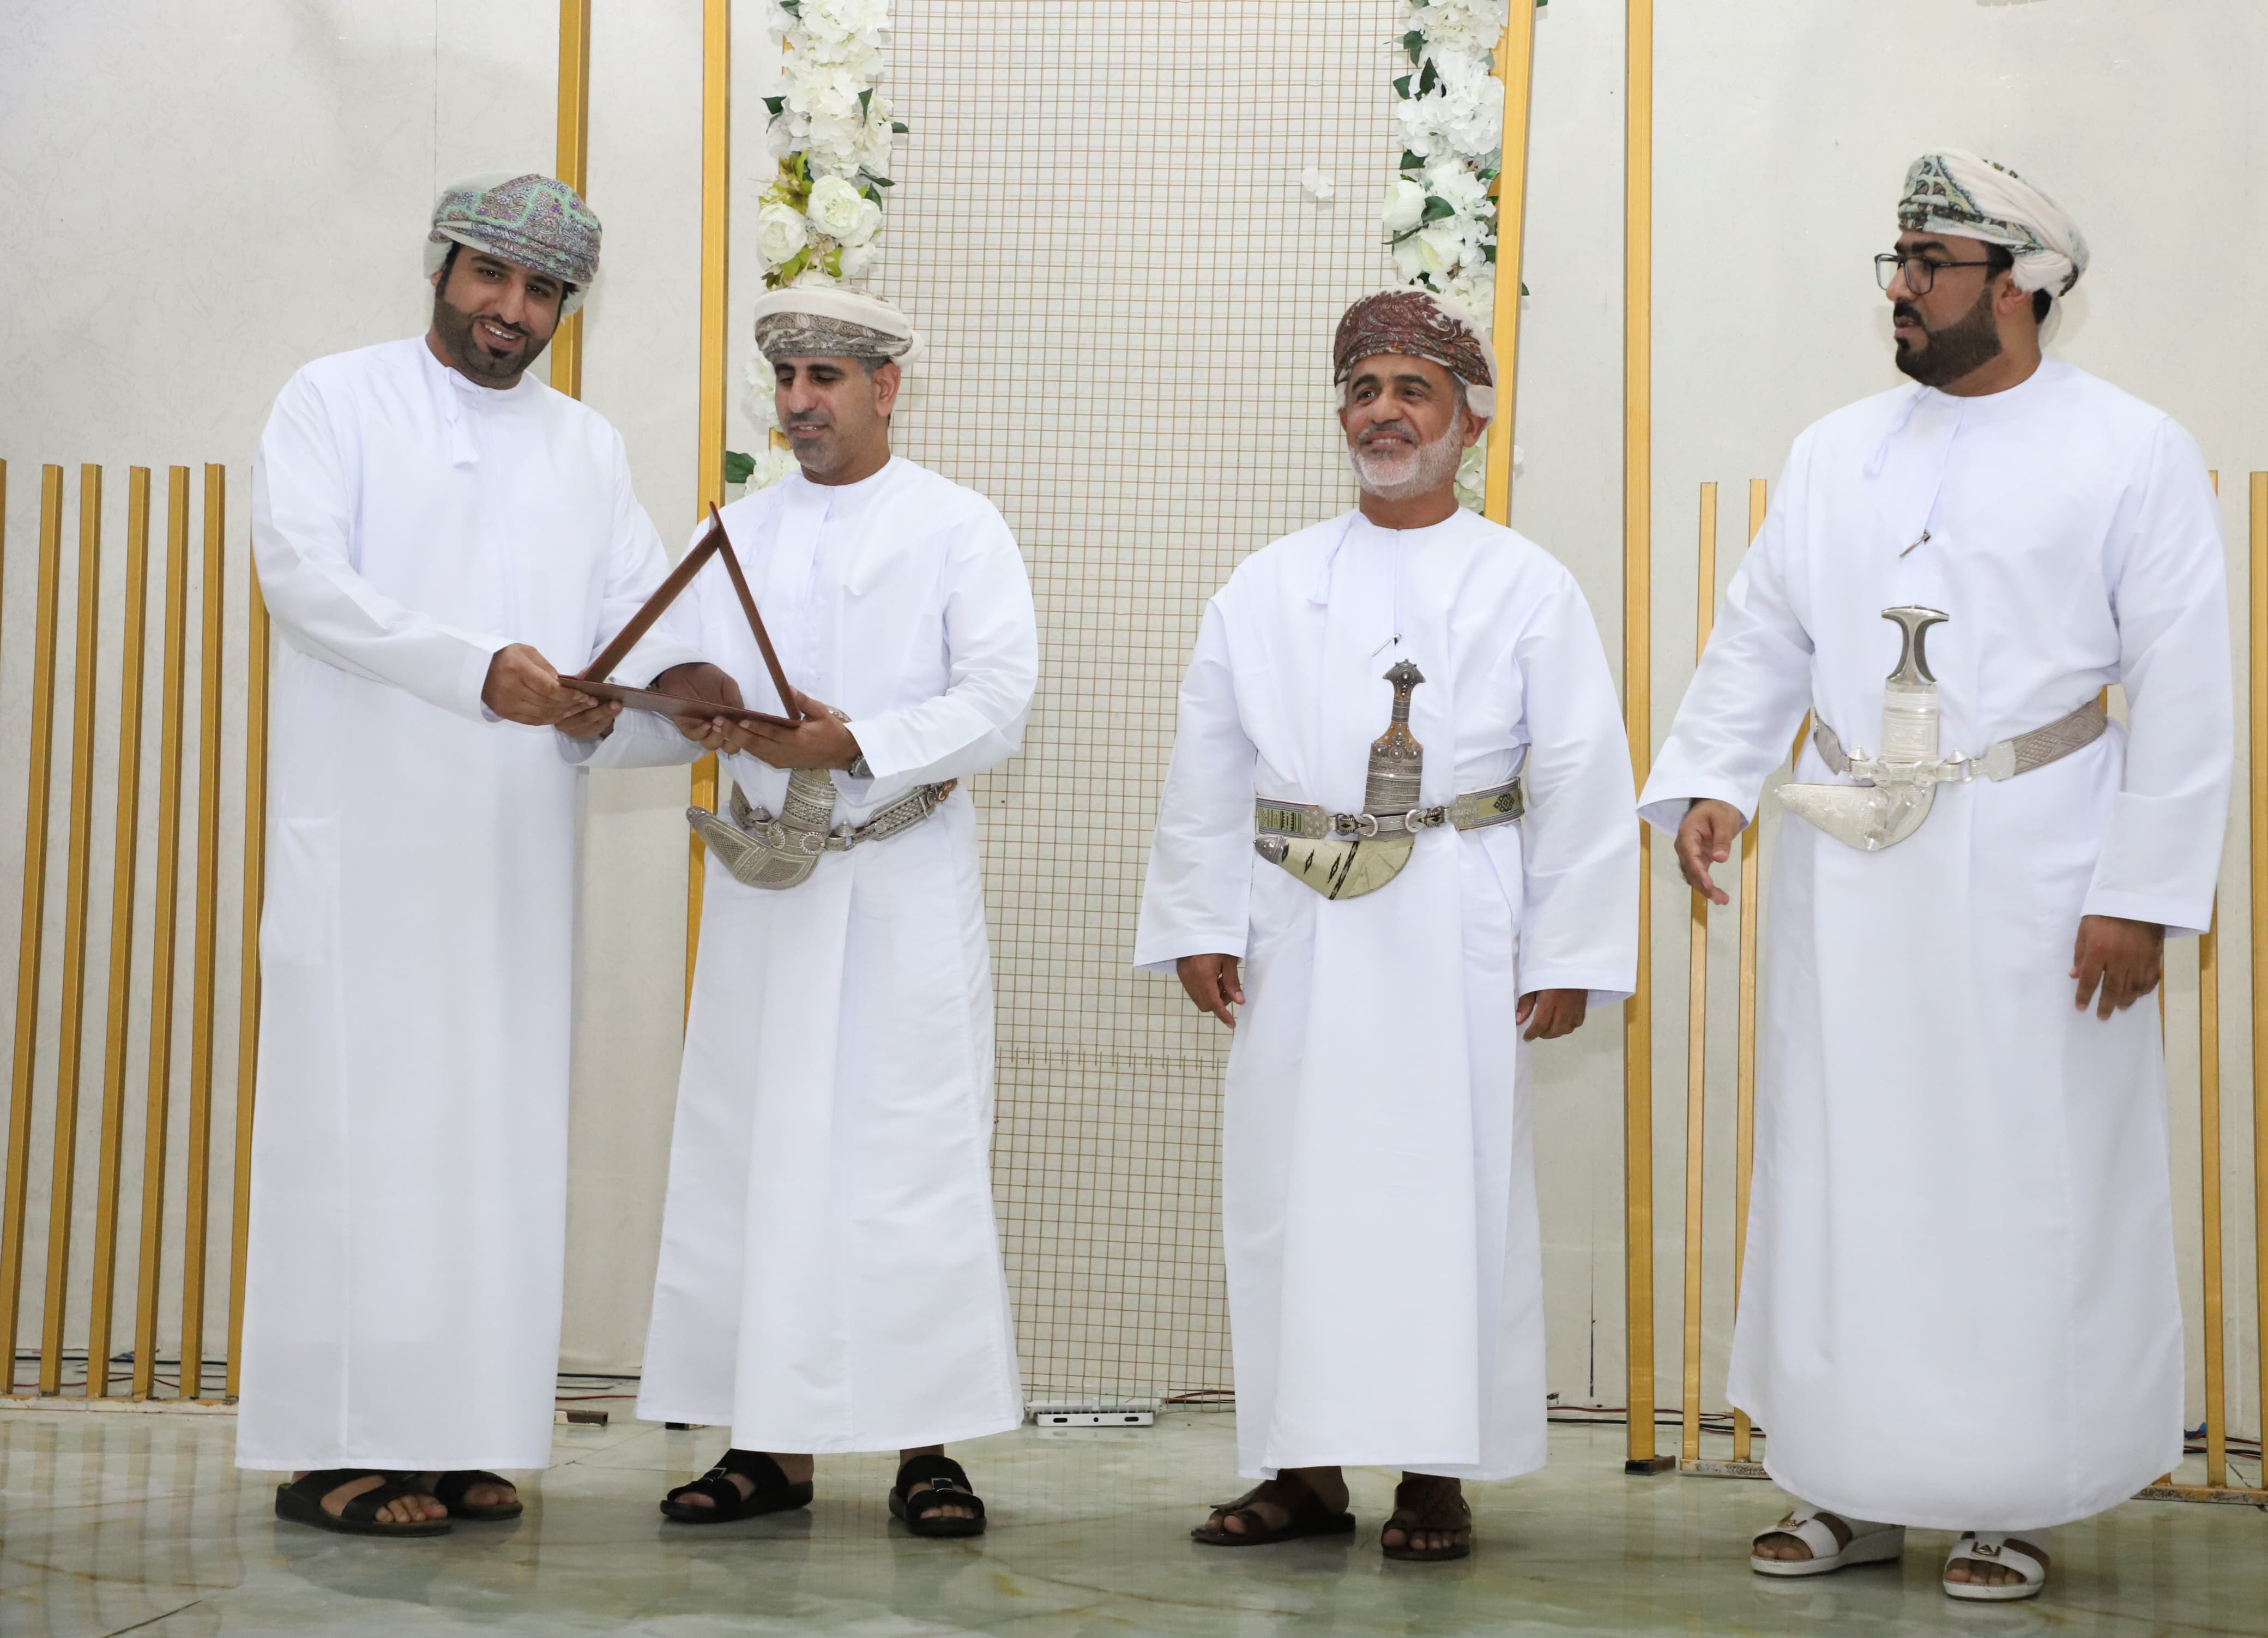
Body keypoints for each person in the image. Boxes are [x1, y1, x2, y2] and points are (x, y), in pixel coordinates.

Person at [1642, 150, 2230, 1603]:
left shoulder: (2132, 448)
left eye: (1931, 263)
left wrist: (2141, 892)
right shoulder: (1836, 448)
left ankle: (2008, 1495)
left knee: (2018, 1177)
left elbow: (2187, 684)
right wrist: (1713, 779)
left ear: (2019, 285)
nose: (1900, 287)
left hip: (2043, 867)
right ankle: (1842, 1479)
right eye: (1897, 261)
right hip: (1854, 868)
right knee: (1845, 1162)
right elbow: (1766, 630)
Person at [238, 173, 725, 1537]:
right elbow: (304, 581)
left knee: (493, 1150)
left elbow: (632, 620)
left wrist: (656, 699)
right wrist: (479, 671)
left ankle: (459, 1436)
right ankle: (333, 1447)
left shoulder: (585, 446)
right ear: (443, 266)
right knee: (360, 1141)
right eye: (490, 277)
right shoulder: (334, 399)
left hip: (514, 858)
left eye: (542, 291)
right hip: (370, 848)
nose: (511, 310)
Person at [1133, 288, 1637, 1562]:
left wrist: (1571, 948)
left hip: (1456, 916)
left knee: (1444, 1194)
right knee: (1287, 1192)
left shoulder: (1525, 581)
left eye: (1413, 390)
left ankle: (1433, 1472)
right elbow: (1209, 760)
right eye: (1363, 390)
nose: (1383, 413)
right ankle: (1299, 1467)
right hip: (1297, 923)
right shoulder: (1270, 580)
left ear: (1471, 423)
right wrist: (1198, 917)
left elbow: (1581, 768)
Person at [578, 287, 1037, 1537]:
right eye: (785, 379)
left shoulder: (957, 525)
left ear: (885, 388)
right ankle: (764, 1445)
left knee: (910, 1159)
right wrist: (636, 710)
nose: (798, 402)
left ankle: (928, 1449)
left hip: (900, 880)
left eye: (824, 377)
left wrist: (855, 738)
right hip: (765, 894)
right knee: (754, 1152)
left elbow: (1000, 699)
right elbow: (676, 698)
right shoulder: (734, 534)